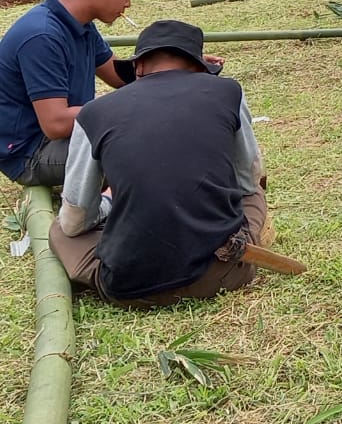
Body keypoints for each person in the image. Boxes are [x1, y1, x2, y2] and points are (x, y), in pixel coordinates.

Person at [48, 20, 267, 308]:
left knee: (59, 229)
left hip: (132, 288)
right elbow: (248, 179)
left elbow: (75, 222)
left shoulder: (93, 113)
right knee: (254, 193)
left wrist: (108, 202)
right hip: (221, 273)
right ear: (200, 67)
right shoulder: (227, 92)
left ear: (138, 68)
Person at [0, 0, 141, 187]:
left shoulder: (81, 24)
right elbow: (55, 124)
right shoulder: (42, 36)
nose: (127, 4)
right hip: (31, 152)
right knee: (142, 150)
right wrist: (128, 108)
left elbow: (119, 75)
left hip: (65, 137)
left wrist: (176, 65)